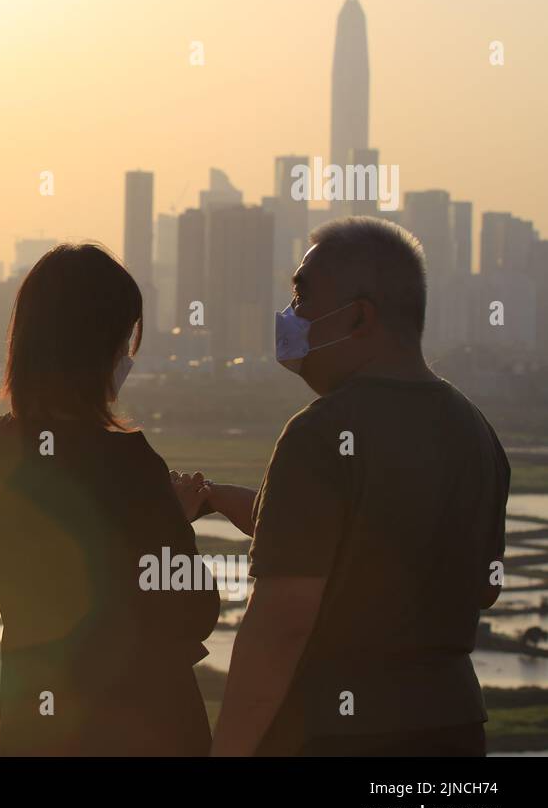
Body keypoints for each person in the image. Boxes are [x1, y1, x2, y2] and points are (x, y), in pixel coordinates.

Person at [206, 217, 509, 756]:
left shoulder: (320, 433)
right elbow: (475, 583)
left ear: (359, 317)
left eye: (302, 297)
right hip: (456, 731)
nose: (290, 316)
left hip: (338, 733)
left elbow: (281, 626)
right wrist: (256, 511)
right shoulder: (476, 431)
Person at [0, 243, 219, 756]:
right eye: (123, 340)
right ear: (99, 347)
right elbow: (192, 610)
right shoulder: (128, 463)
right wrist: (177, 518)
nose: (127, 356)